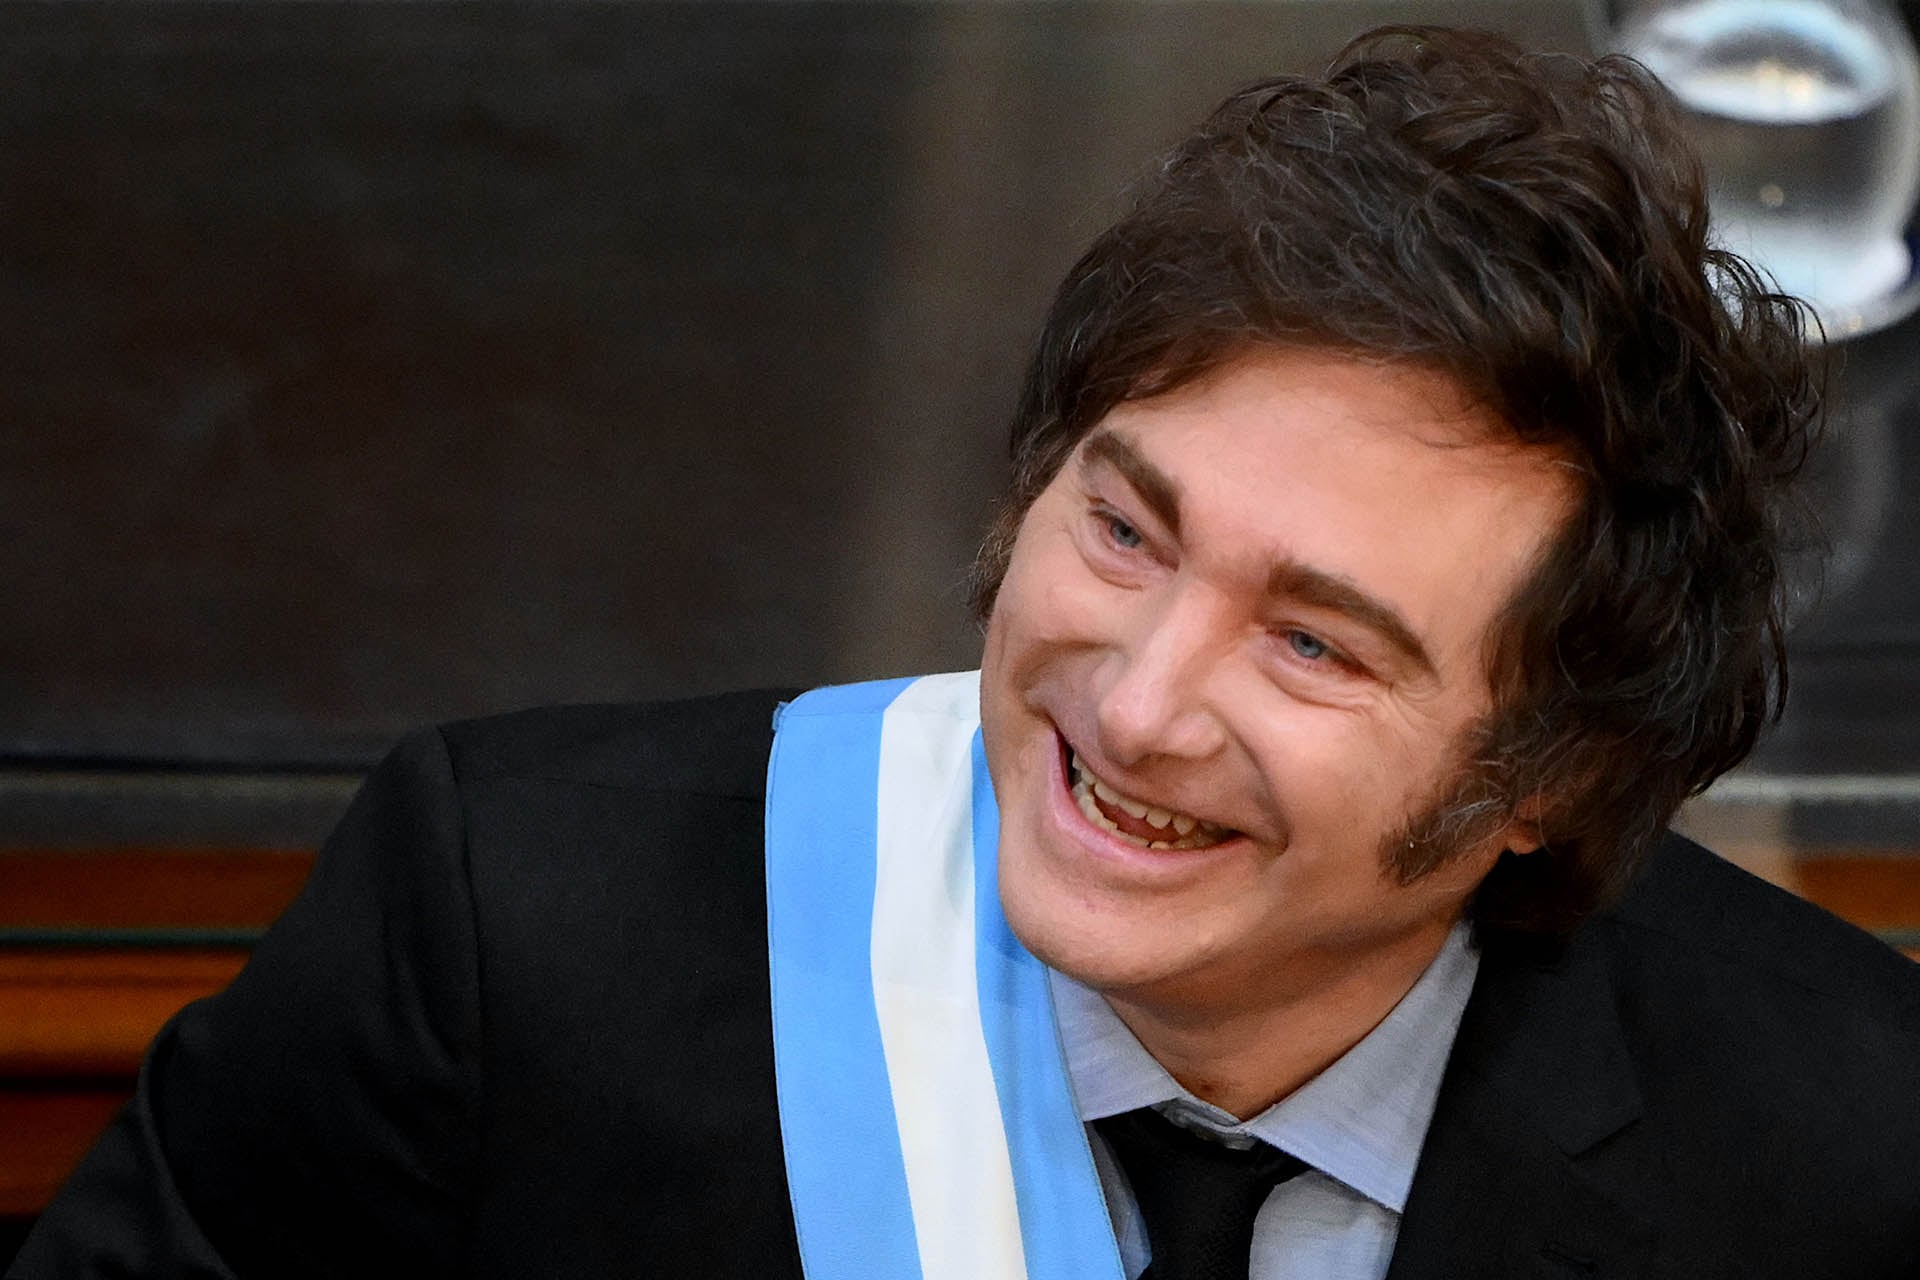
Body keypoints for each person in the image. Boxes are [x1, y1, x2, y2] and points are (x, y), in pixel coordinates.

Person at [16, 24, 1920, 1280]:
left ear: (1553, 774)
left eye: (1318, 646)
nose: (1137, 701)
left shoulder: (1845, 1155)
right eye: (1124, 528)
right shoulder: (507, 928)